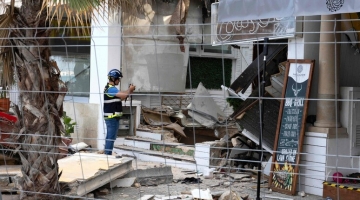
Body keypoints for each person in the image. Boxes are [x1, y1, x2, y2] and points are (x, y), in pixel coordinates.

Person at [103, 69, 136, 155]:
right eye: (118, 79)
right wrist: (130, 89)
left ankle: (107, 153)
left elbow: (121, 97)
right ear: (114, 79)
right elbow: (124, 95)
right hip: (111, 118)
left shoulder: (111, 89)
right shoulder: (111, 89)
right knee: (111, 137)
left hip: (113, 118)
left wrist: (129, 91)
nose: (119, 81)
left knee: (111, 137)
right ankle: (107, 155)